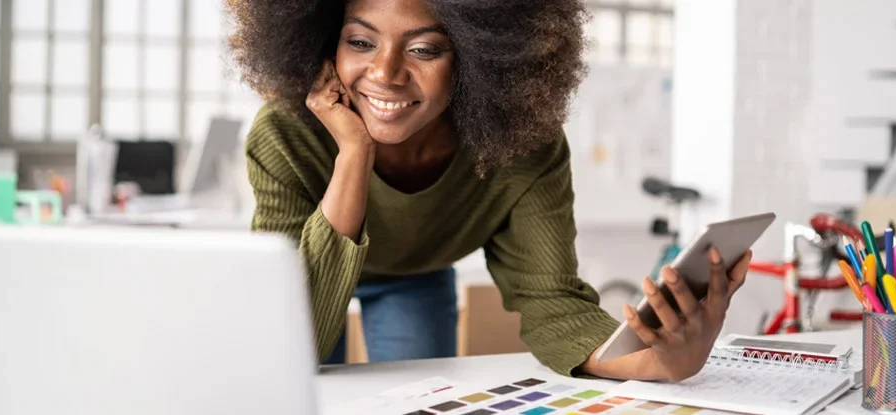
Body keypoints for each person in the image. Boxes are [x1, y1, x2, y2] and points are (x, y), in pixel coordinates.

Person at [225, 0, 752, 381]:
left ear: (478, 60)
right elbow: (294, 335)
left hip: (416, 276)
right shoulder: (286, 133)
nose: (384, 73)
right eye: (360, 42)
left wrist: (656, 362)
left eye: (425, 48)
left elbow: (552, 303)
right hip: (306, 279)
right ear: (323, 41)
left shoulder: (520, 148)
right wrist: (355, 153)